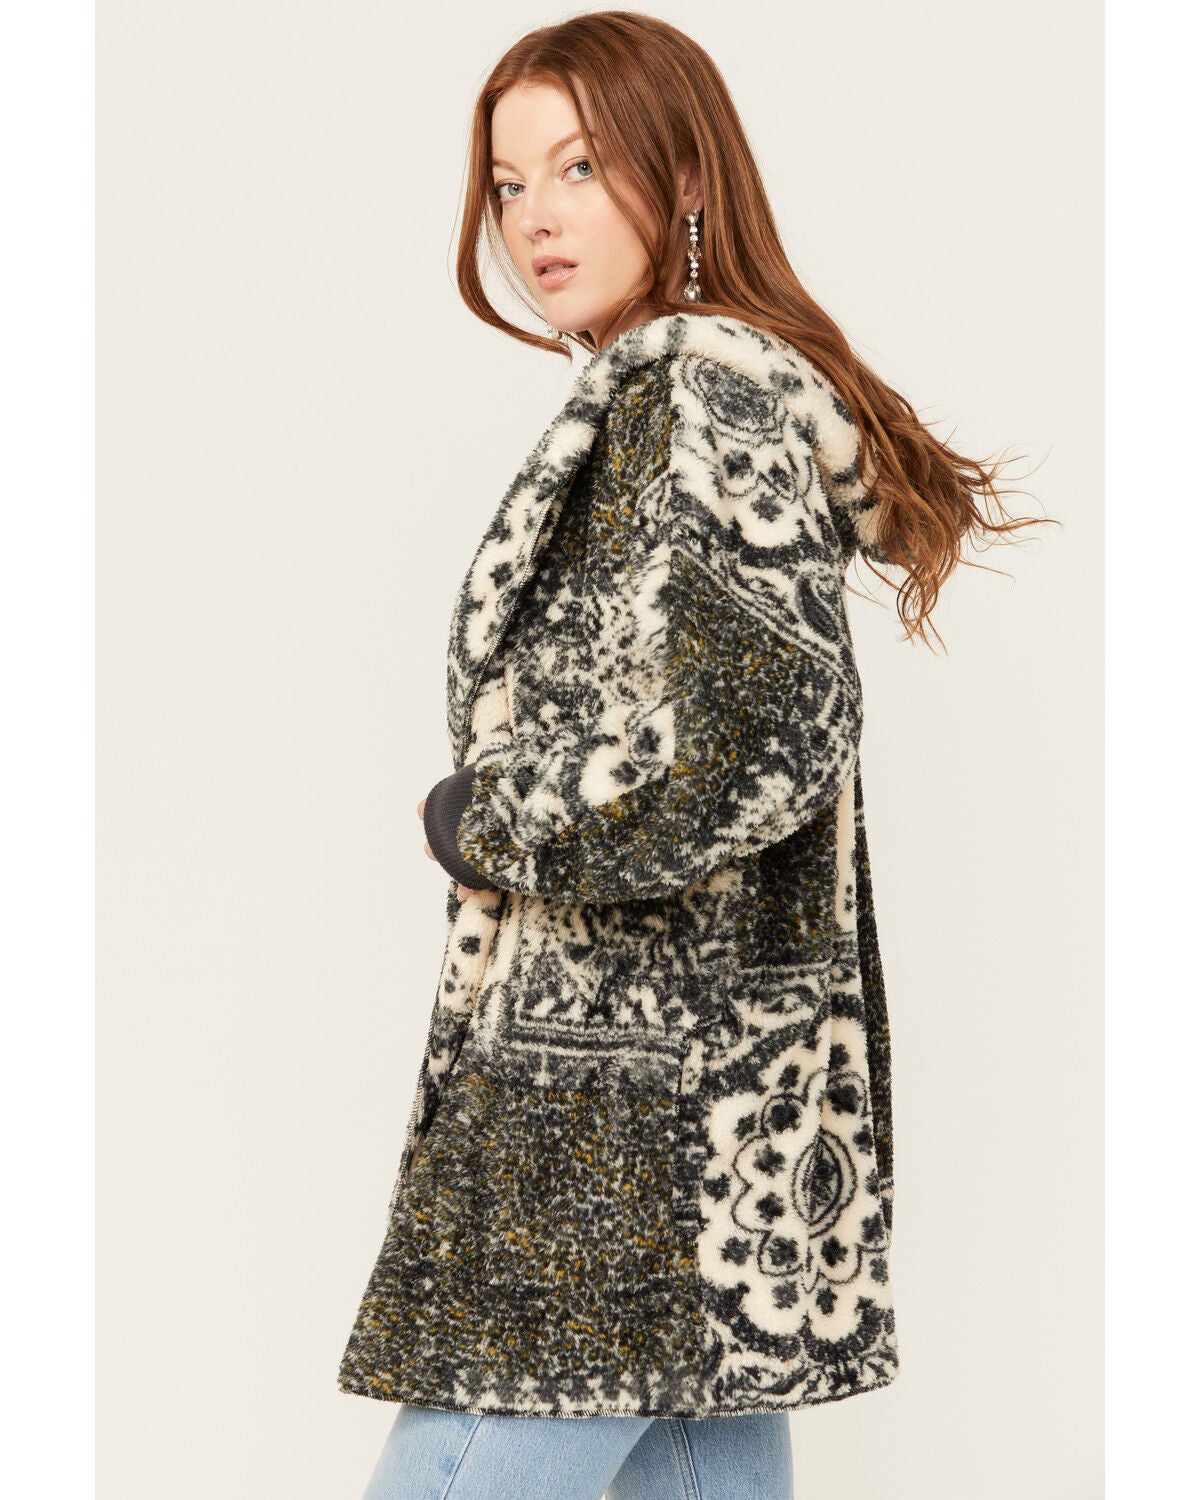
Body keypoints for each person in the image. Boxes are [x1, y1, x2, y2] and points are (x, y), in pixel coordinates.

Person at [337, 12, 1049, 1498]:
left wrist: (492, 820)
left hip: (617, 1110)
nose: (533, 218)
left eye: (578, 167)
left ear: (686, 178)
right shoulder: (715, 389)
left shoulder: (692, 386)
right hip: (718, 1108)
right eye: (507, 184)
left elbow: (751, 731)